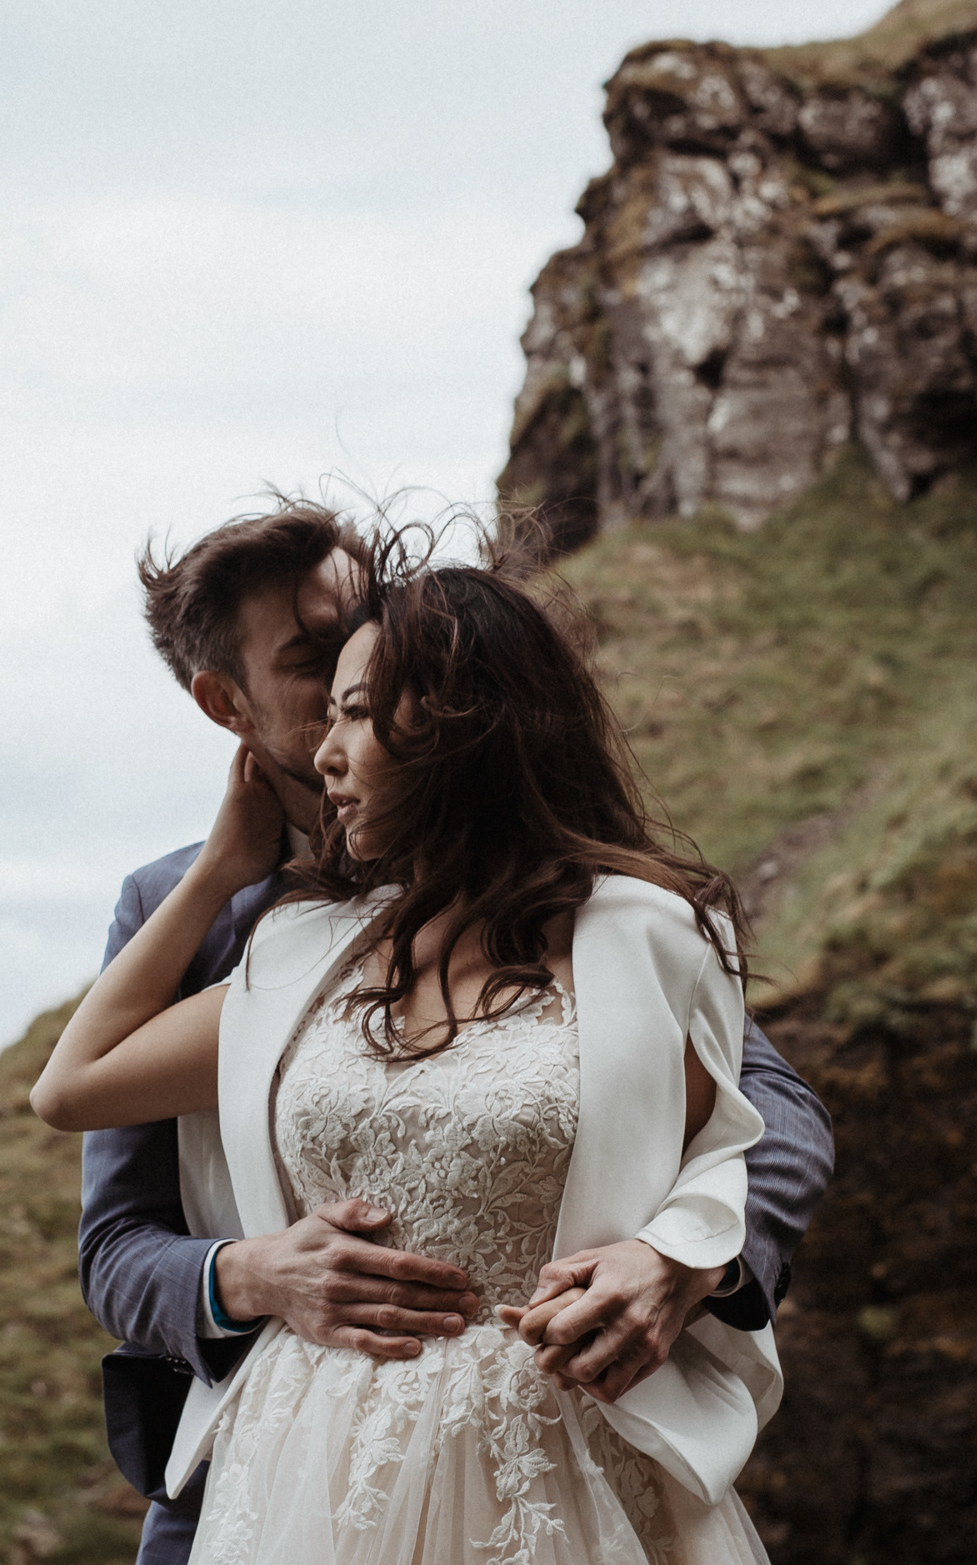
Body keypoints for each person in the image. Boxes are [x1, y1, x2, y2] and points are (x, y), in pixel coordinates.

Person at [50, 535, 829, 1562]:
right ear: (225, 702)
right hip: (279, 1464)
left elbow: (764, 1116)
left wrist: (684, 1259)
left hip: (550, 1456)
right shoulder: (246, 927)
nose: (340, 711)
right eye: (314, 665)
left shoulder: (625, 924)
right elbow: (108, 1220)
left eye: (365, 665)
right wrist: (255, 1272)